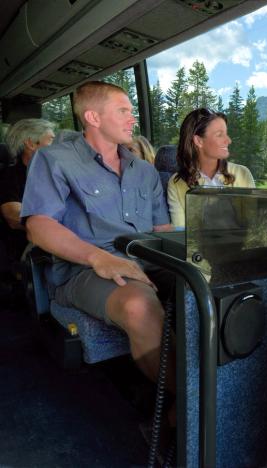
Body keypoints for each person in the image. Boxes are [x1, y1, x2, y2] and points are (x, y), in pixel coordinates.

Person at [20, 82, 175, 403]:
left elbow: (162, 229)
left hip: (147, 260)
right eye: (123, 111)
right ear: (93, 116)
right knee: (139, 305)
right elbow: (39, 226)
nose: (133, 119)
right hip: (84, 270)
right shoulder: (55, 160)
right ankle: (188, 409)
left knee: (212, 288)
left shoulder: (144, 171)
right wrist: (97, 258)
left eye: (132, 111)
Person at [167, 108, 255, 228]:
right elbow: (181, 232)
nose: (228, 140)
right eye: (220, 135)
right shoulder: (176, 183)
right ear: (198, 141)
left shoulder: (242, 174)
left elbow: (253, 224)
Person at [0, 118, 55, 260]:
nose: (56, 146)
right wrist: (60, 229)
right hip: (30, 249)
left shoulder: (53, 173)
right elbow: (13, 215)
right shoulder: (9, 177)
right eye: (51, 140)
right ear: (30, 143)